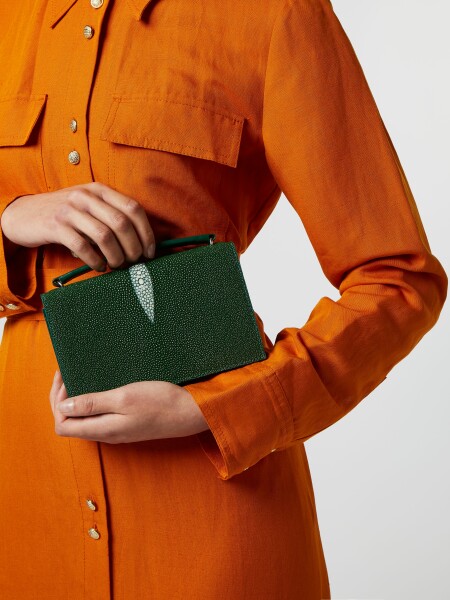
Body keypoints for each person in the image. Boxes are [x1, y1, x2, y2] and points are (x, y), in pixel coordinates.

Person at [0, 0, 447, 598]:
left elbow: (399, 279)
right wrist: (10, 219)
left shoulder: (272, 13)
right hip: (32, 508)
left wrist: (219, 410)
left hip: (215, 506)